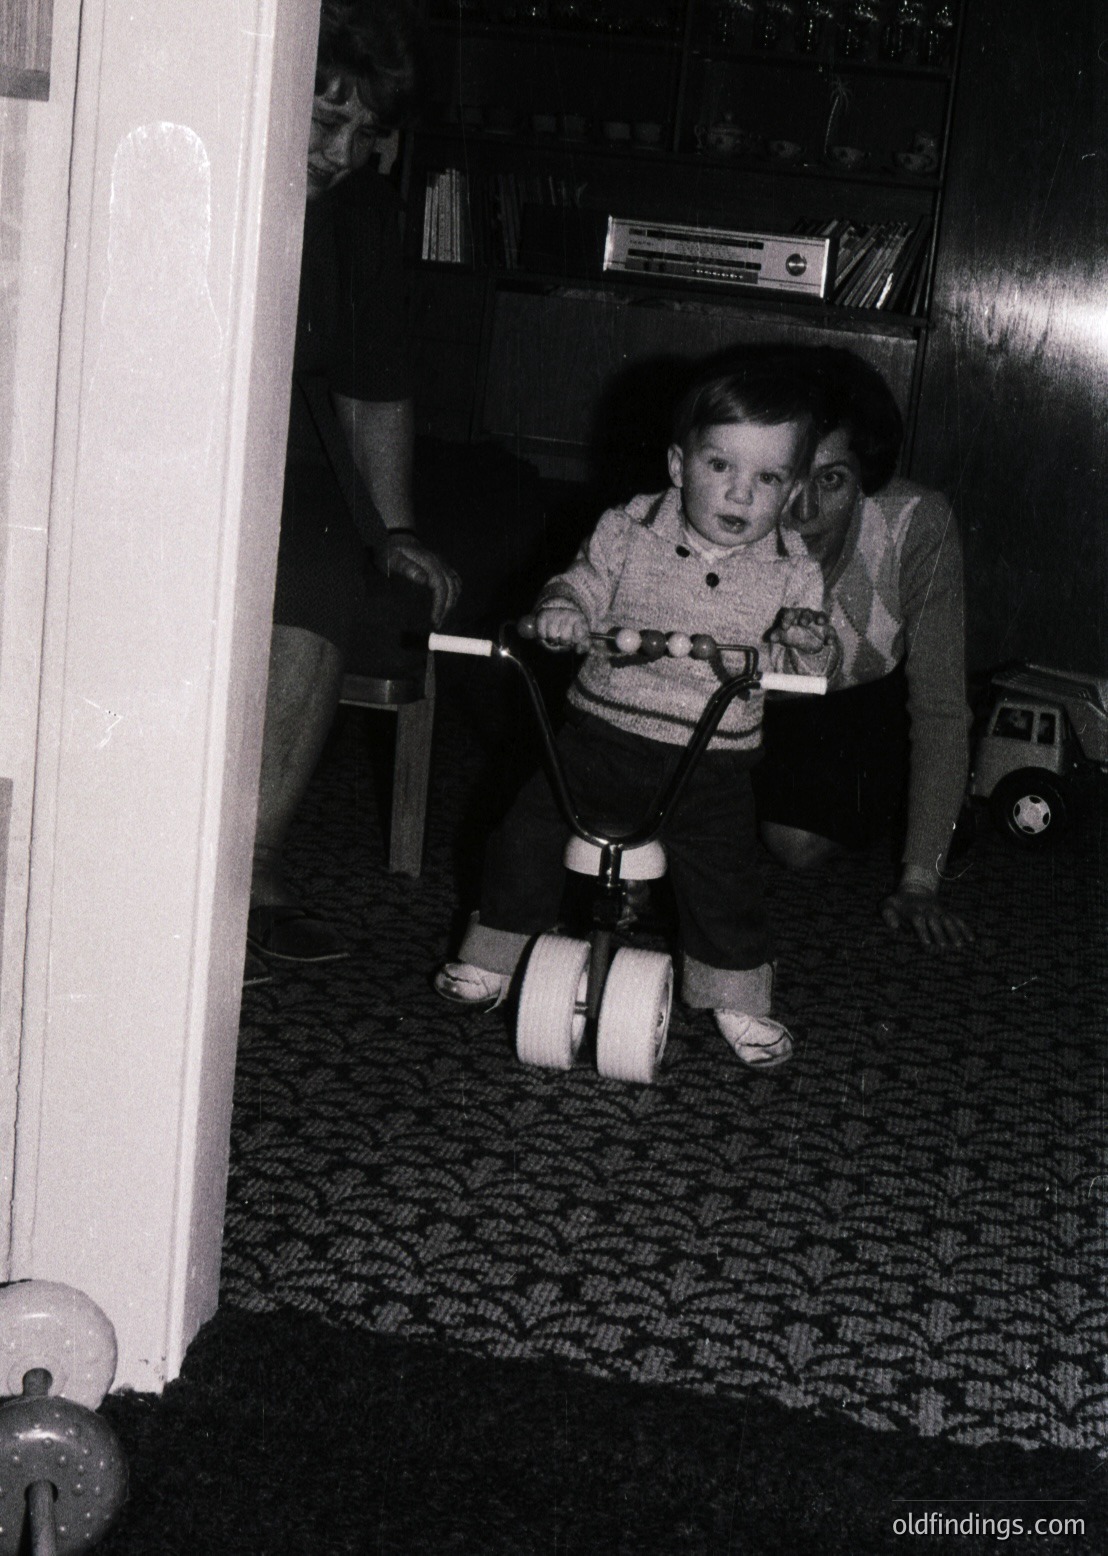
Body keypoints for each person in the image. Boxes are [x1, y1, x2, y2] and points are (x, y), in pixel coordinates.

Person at [433, 360, 839, 1069]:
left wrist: (802, 646)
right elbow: (583, 582)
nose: (741, 492)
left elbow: (807, 668)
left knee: (725, 880)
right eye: (721, 465)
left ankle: (738, 996)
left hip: (711, 761)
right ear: (680, 465)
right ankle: (495, 953)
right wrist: (563, 611)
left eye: (769, 479)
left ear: (794, 490)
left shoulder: (791, 569)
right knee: (525, 832)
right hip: (599, 739)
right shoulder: (628, 527)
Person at [247, 0, 461, 974]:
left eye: (366, 128)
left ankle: (246, 871)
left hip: (288, 451)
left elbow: (375, 389)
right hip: (158, 441)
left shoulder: (365, 213)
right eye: (327, 117)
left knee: (326, 565)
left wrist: (399, 523)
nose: (346, 147)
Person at [752, 347, 972, 949]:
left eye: (832, 479)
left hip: (857, 704)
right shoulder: (725, 499)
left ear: (863, 476)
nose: (803, 510)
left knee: (796, 845)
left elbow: (942, 710)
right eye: (786, 477)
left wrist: (921, 880)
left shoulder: (916, 522)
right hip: (746, 695)